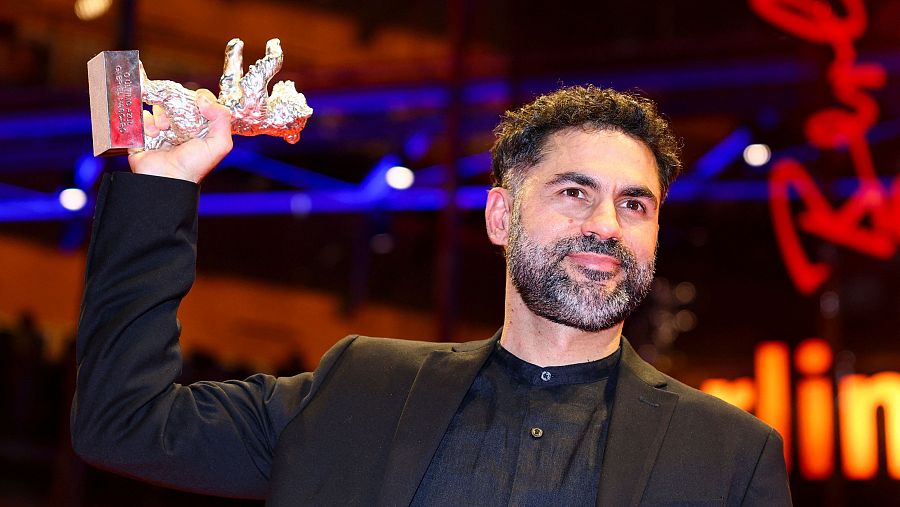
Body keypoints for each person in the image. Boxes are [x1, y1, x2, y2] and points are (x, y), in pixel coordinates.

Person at [71, 85, 792, 506]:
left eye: (634, 204)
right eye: (575, 192)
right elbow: (123, 421)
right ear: (501, 216)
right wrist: (161, 187)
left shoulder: (729, 457)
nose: (606, 225)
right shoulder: (361, 388)